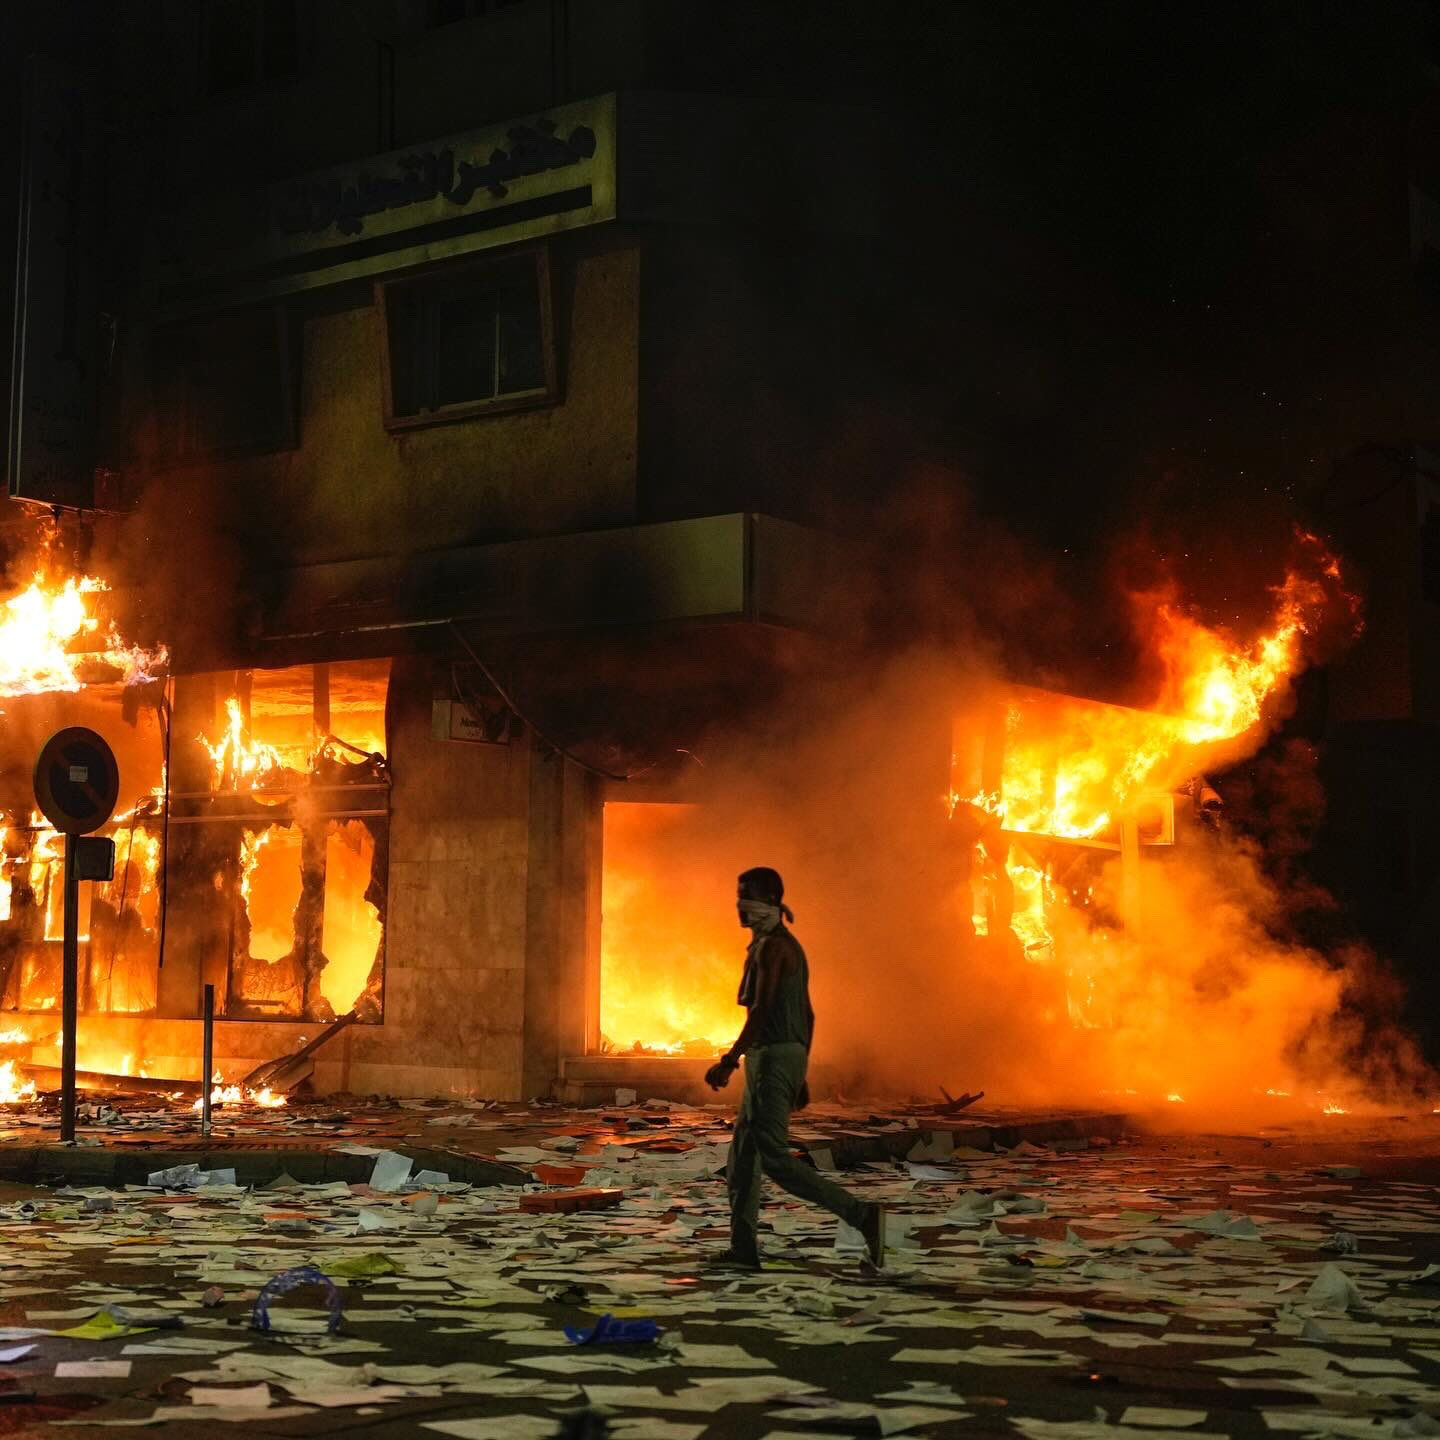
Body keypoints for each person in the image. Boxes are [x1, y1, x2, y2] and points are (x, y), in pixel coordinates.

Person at [705, 866, 885, 1269]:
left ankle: (859, 1214)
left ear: (770, 901)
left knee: (773, 1158)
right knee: (743, 1157)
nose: (741, 905)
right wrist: (799, 1069)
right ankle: (743, 1248)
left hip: (771, 1057)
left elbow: (763, 1009)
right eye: (739, 895)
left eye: (748, 896)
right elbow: (809, 1014)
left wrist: (729, 1060)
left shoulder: (775, 949)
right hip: (775, 1058)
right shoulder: (771, 945)